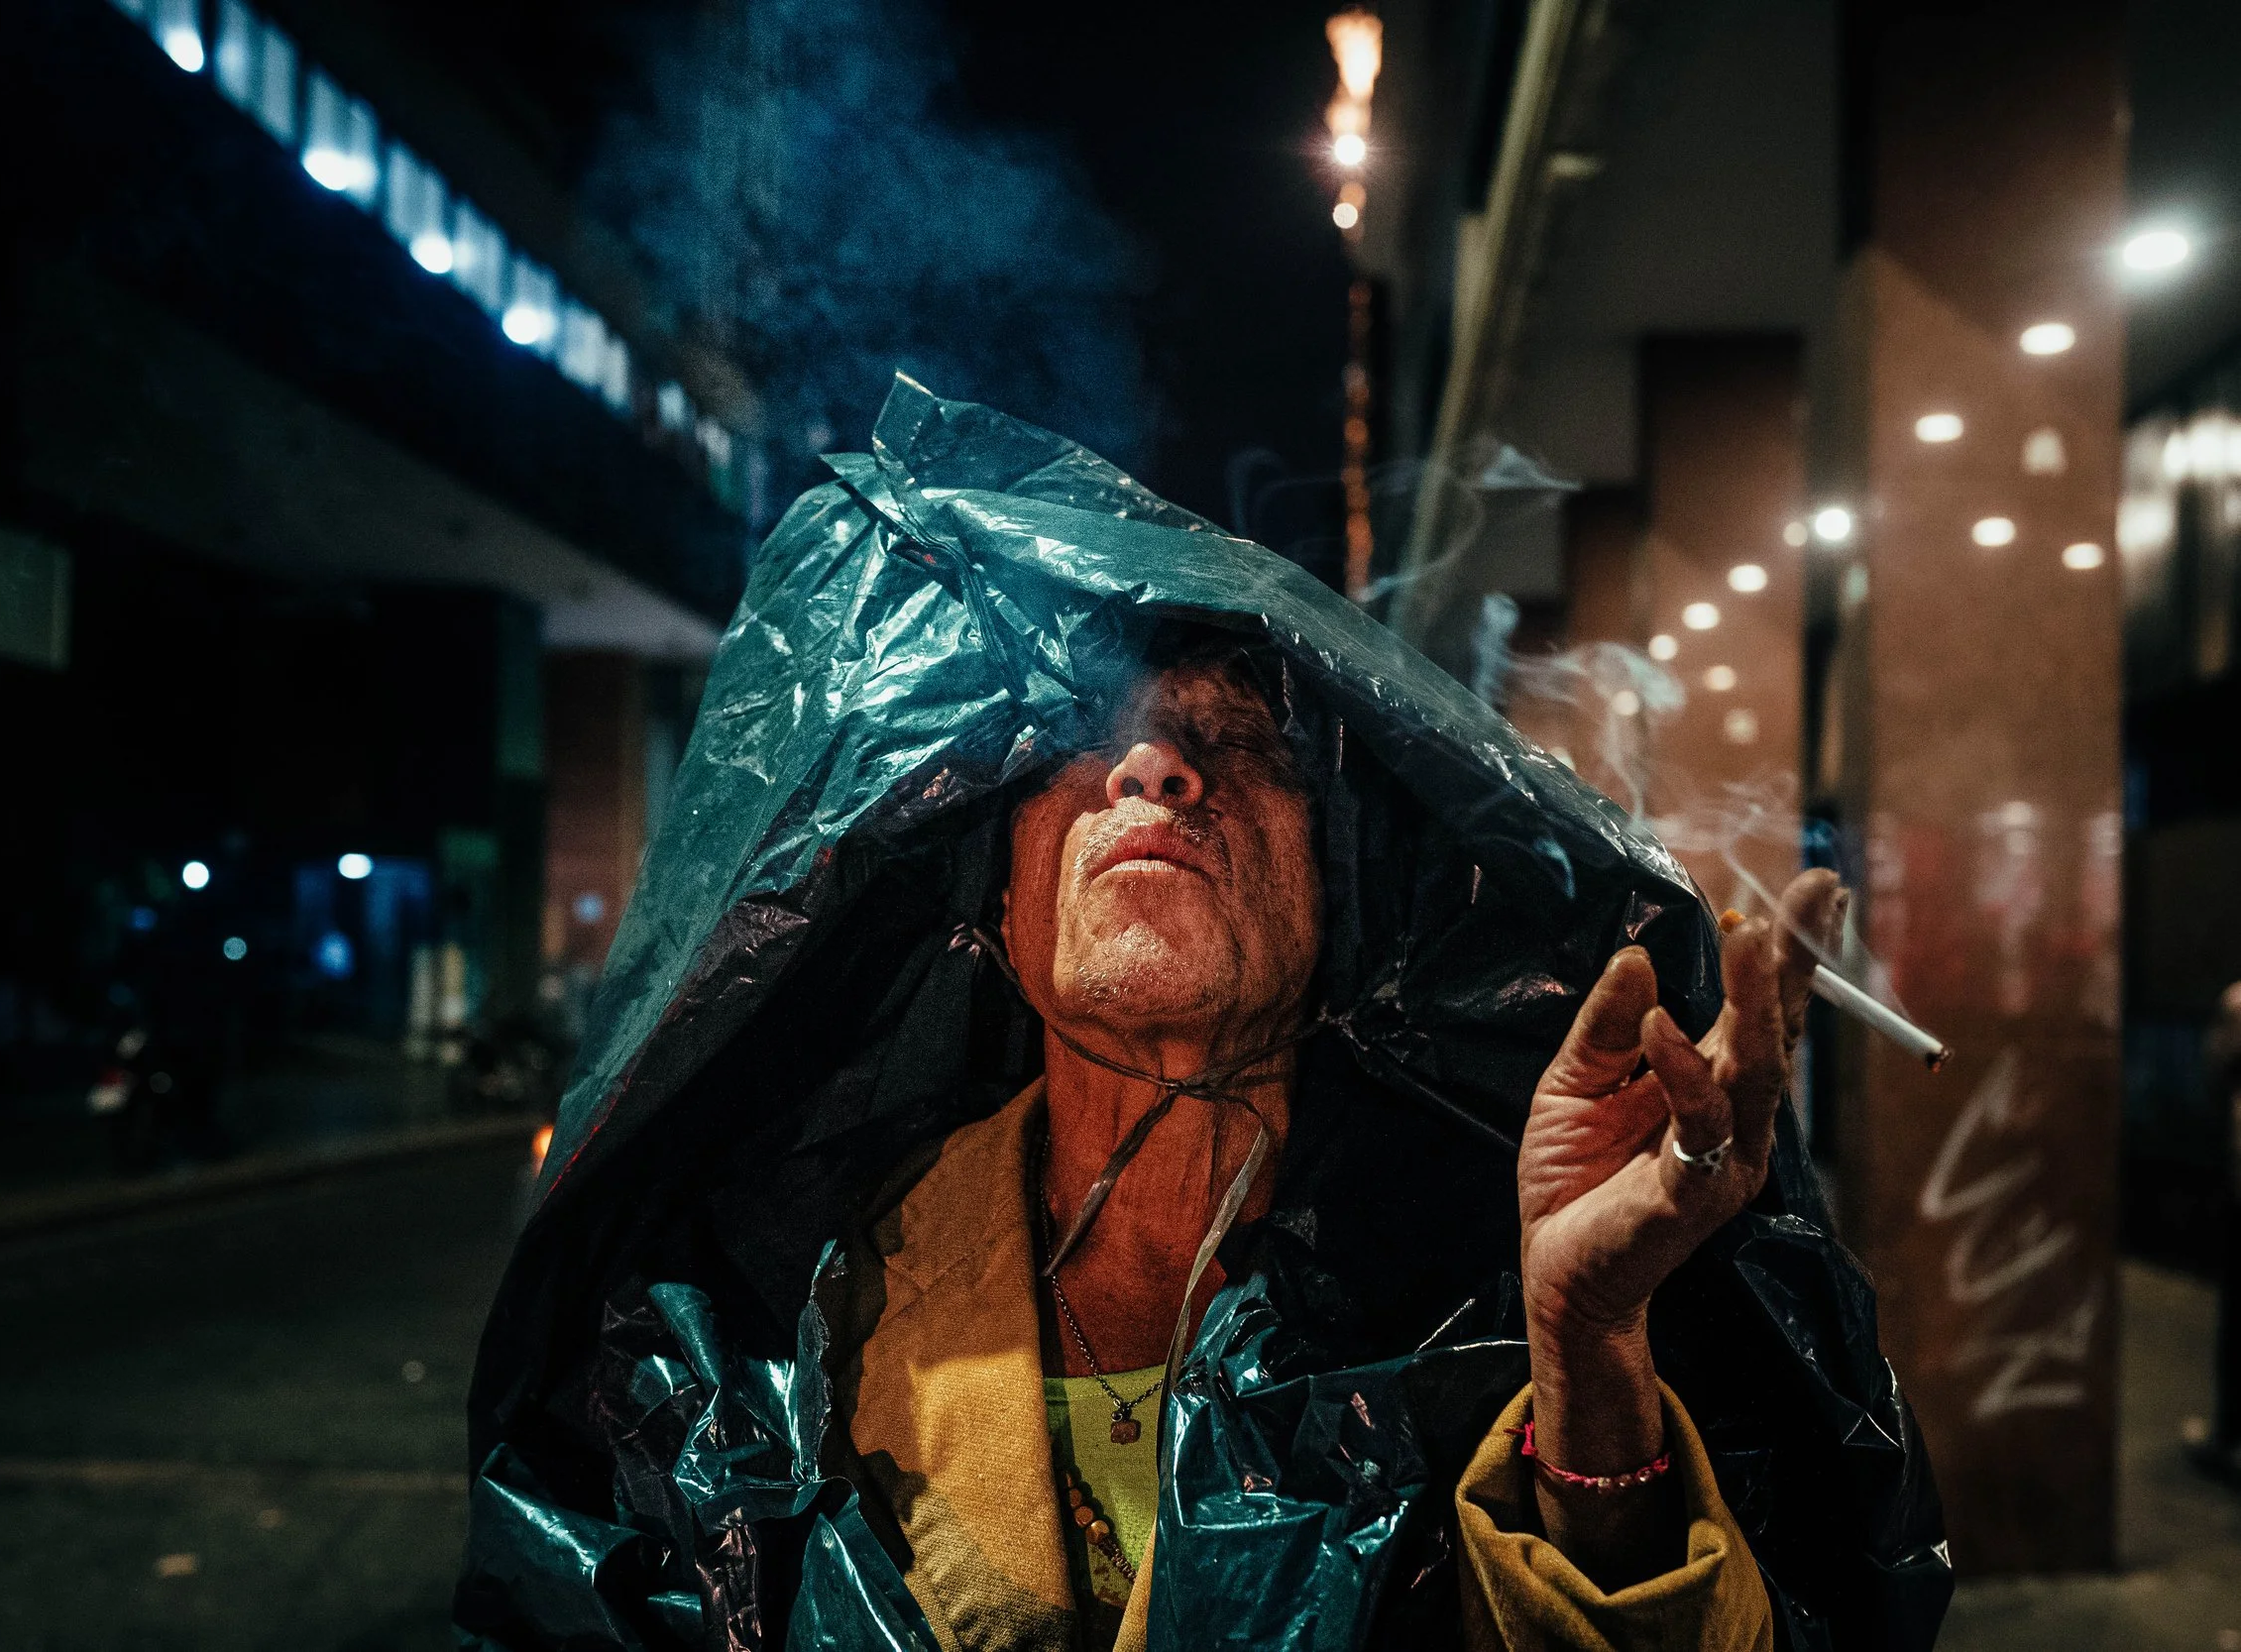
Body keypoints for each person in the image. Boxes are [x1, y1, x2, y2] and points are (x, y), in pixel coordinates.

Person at [458, 380, 1950, 1652]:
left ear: (1339, 900)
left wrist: (1590, 1339)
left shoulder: (1466, 1264)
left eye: (1242, 748)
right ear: (995, 887)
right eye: (1093, 746)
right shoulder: (794, 1280)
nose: (1159, 771)